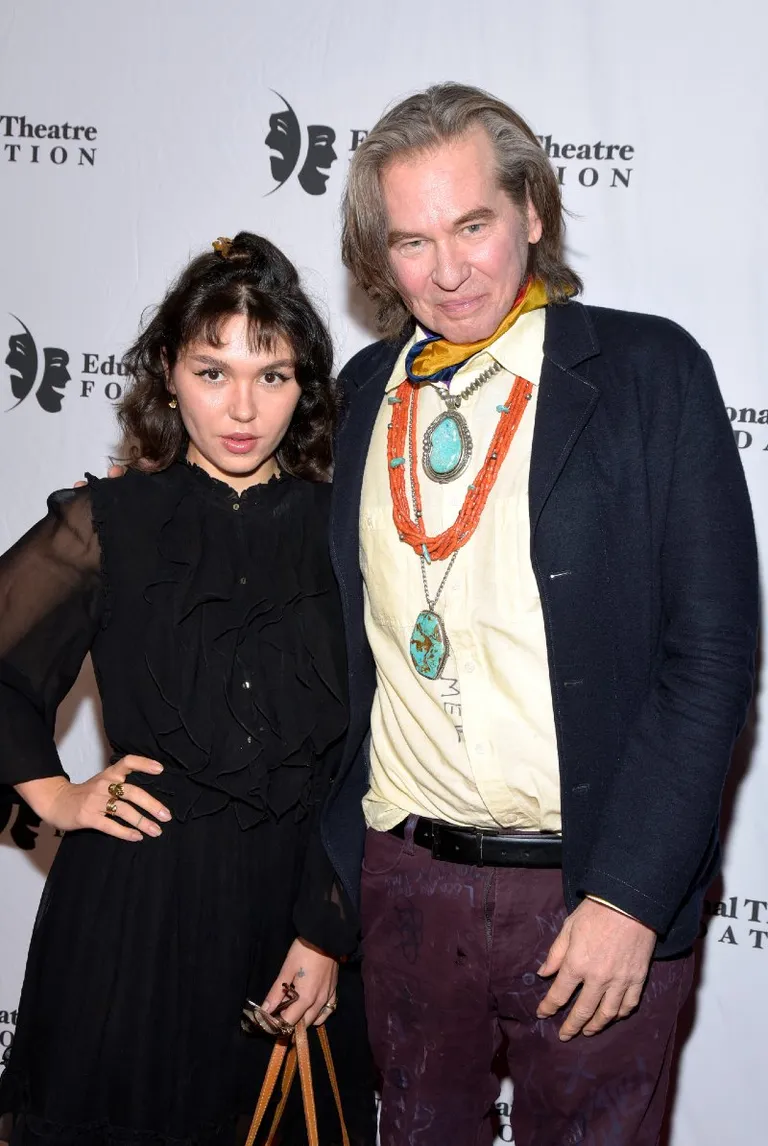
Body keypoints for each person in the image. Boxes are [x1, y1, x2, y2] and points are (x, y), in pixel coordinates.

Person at [320, 83, 758, 1145]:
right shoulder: (363, 390)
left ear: (531, 211)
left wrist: (633, 900)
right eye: (414, 242)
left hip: (592, 893)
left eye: (472, 224)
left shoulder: (651, 372)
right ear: (382, 259)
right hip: (408, 884)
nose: (450, 269)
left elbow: (710, 658)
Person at [0, 233, 375, 1146]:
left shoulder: (351, 529)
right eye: (213, 372)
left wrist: (326, 932)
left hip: (294, 912)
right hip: (134, 912)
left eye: (273, 375)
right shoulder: (110, 520)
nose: (241, 407)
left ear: (307, 386)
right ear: (169, 373)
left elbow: (376, 749)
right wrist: (58, 793)